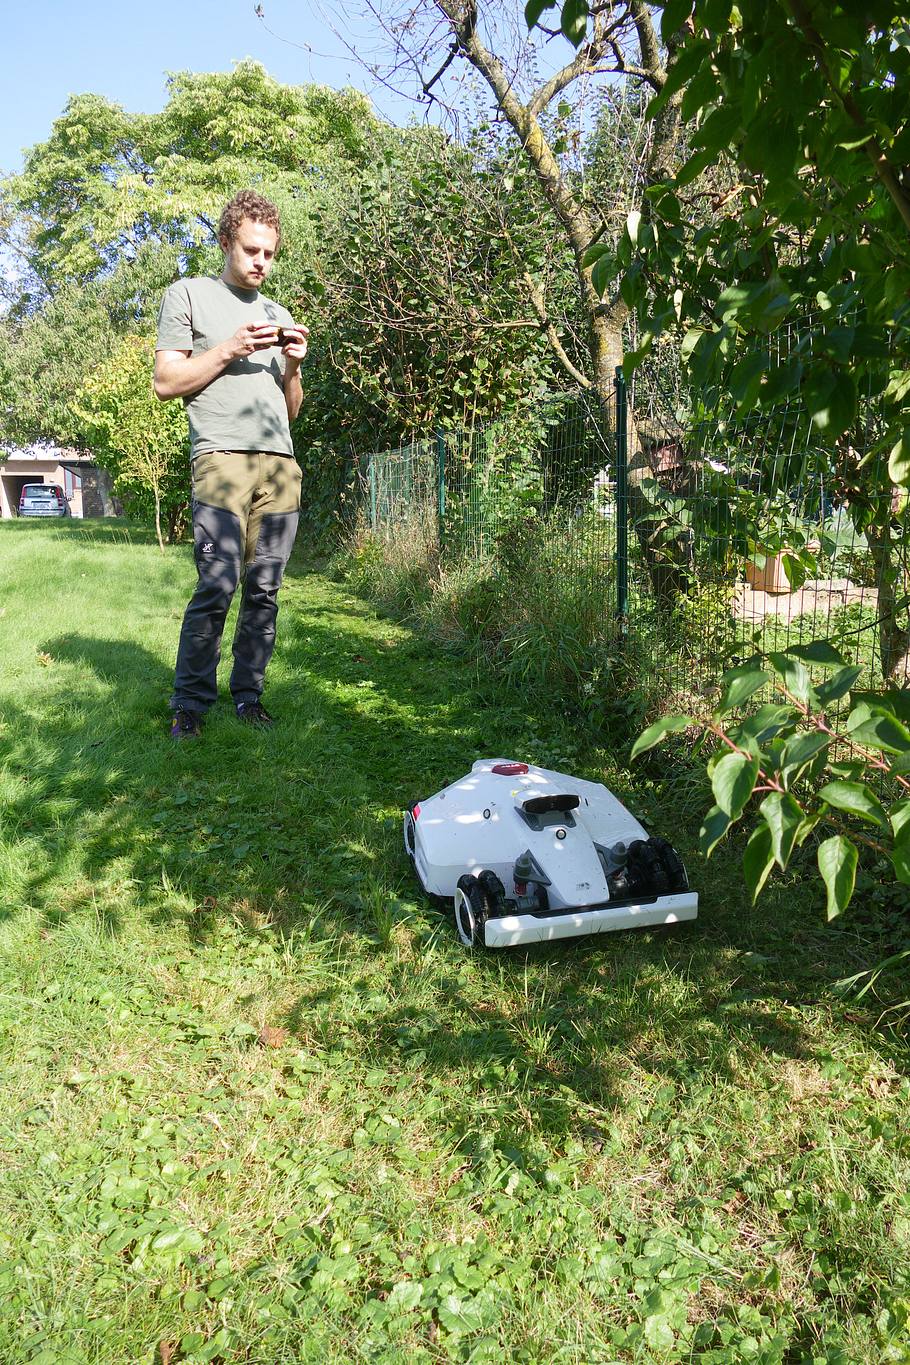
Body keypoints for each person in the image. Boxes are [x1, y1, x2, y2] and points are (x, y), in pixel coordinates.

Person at [154, 189, 308, 739]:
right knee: (218, 582)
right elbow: (166, 382)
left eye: (269, 253)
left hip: (279, 465)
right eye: (250, 250)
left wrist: (291, 369)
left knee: (265, 587)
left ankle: (249, 697)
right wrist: (228, 348)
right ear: (225, 242)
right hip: (220, 458)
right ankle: (190, 705)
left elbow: (291, 411)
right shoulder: (189, 294)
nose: (261, 262)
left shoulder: (279, 313)